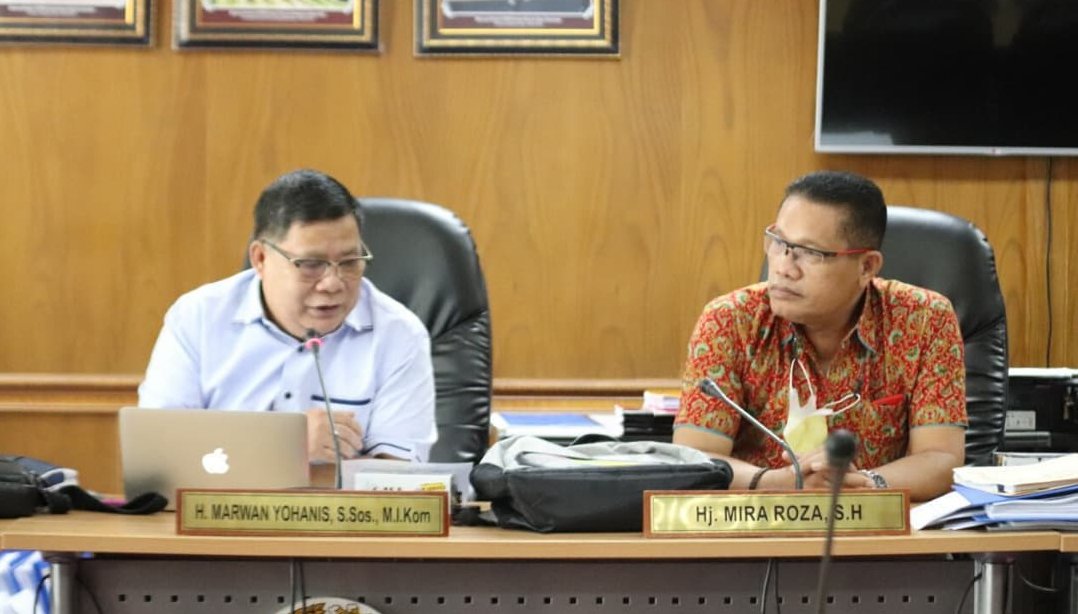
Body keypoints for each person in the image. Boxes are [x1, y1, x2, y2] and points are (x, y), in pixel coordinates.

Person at [673, 170, 966, 501]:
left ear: (867, 267)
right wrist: (786, 482)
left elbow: (941, 458)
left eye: (810, 253)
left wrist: (863, 484)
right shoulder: (730, 321)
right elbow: (696, 459)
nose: (783, 267)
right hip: (755, 521)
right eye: (779, 242)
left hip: (875, 522)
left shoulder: (923, 320)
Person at [139, 169, 437, 463]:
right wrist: (282, 445)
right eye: (311, 264)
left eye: (349, 262)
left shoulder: (399, 334)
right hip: (214, 498)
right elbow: (158, 453)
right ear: (260, 258)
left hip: (339, 500)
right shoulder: (198, 318)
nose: (333, 284)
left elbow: (397, 476)